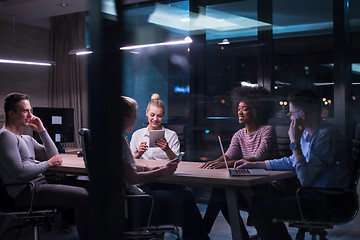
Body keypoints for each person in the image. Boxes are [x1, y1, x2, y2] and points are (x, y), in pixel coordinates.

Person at [235, 89, 352, 240]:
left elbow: (306, 180)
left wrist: (294, 143)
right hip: (313, 193)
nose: (290, 118)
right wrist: (256, 164)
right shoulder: (308, 133)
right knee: (259, 200)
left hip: (327, 199)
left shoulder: (326, 136)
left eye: (291, 114)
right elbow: (292, 161)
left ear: (302, 114)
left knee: (260, 210)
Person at [0, 92, 89, 240]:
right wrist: (48, 164)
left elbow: (52, 154)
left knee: (90, 186)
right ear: (11, 114)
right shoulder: (6, 136)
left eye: (30, 110)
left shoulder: (26, 138)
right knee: (84, 197)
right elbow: (20, 172)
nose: (30, 114)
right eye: (25, 111)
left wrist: (42, 131)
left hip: (38, 185)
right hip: (26, 192)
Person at [121, 96, 209, 240]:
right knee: (186, 198)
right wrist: (163, 171)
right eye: (133, 117)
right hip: (134, 201)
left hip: (130, 196)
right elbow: (132, 176)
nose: (135, 121)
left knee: (181, 194)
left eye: (159, 115)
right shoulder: (128, 139)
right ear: (125, 119)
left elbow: (129, 167)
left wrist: (153, 168)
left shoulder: (113, 139)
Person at [200, 86, 278, 233]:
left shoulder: (267, 130)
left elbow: (257, 158)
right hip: (246, 183)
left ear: (256, 110)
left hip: (265, 185)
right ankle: (210, 233)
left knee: (221, 195)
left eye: (245, 109)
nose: (239, 112)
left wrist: (225, 164)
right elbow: (228, 154)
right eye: (238, 108)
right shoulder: (239, 134)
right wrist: (215, 162)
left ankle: (203, 232)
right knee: (221, 195)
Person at [130, 93, 180, 160]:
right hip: (145, 169)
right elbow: (129, 161)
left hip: (165, 169)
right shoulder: (137, 135)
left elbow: (178, 160)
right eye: (152, 115)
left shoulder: (172, 135)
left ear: (163, 116)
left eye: (159, 116)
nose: (155, 119)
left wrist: (167, 150)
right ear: (147, 113)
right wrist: (139, 154)